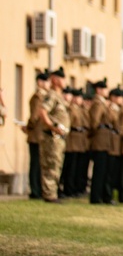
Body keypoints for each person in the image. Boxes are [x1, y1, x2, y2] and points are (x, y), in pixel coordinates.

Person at [36, 67, 70, 203]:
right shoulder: (51, 95)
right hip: (51, 137)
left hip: (59, 138)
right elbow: (42, 111)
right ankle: (49, 195)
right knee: (50, 165)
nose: (64, 81)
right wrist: (52, 127)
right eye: (61, 78)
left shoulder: (59, 96)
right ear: (55, 80)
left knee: (56, 165)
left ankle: (53, 193)